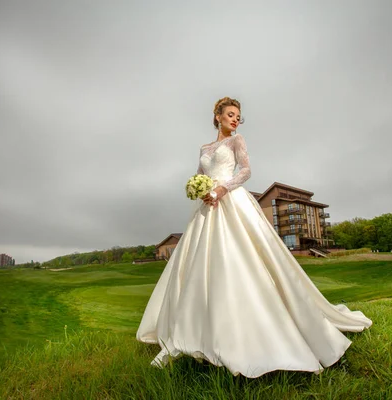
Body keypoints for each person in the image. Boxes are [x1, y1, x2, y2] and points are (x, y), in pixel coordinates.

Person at [136, 97, 372, 378]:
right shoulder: (204, 148)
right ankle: (192, 332)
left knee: (239, 258)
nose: (236, 119)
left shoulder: (237, 141)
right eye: (231, 114)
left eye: (239, 116)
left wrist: (222, 189)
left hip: (230, 200)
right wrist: (199, 189)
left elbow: (246, 171)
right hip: (206, 206)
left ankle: (257, 327)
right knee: (198, 264)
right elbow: (199, 174)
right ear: (218, 117)